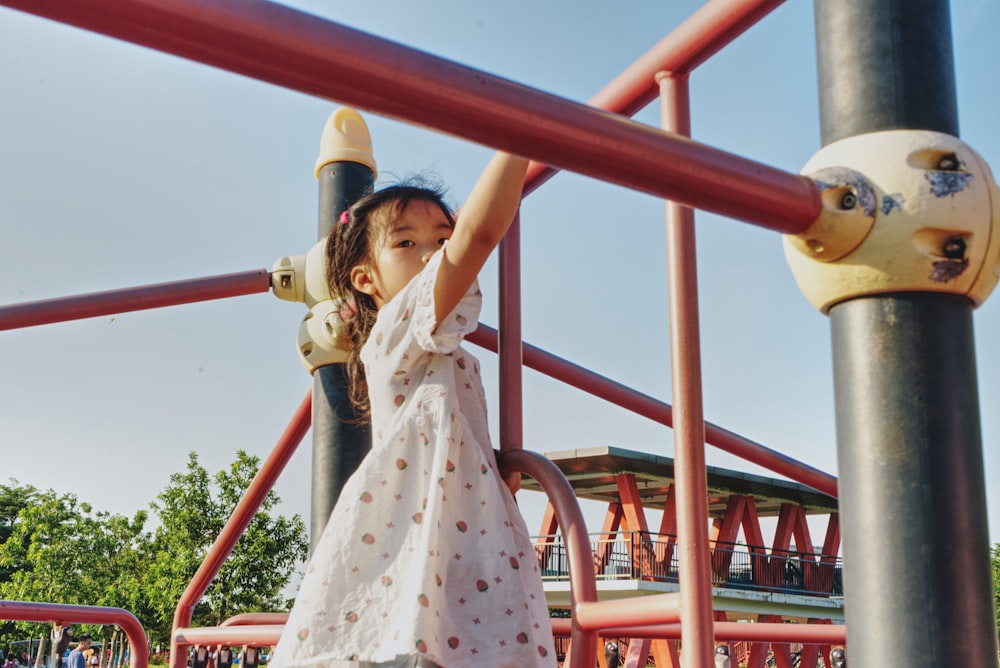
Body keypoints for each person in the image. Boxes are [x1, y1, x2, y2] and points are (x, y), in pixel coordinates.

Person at [268, 152, 554, 668]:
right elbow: (478, 236)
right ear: (364, 280)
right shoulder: (399, 327)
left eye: (440, 239)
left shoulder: (444, 348)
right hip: (415, 528)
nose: (431, 254)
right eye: (406, 242)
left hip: (460, 528)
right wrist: (517, 143)